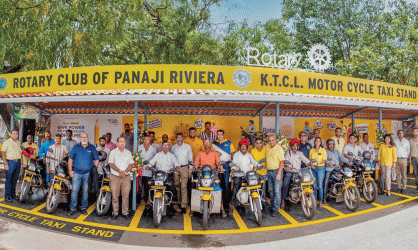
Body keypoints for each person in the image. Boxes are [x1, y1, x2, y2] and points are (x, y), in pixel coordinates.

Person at [67, 133, 99, 216]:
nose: (84, 139)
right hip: (76, 173)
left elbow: (96, 160)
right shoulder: (76, 147)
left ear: (88, 138)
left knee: (85, 191)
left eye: (85, 137)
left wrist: (93, 171)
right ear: (80, 139)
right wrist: (70, 170)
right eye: (82, 137)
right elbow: (70, 159)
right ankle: (72, 208)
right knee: (74, 191)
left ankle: (83, 208)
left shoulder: (92, 148)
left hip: (88, 174)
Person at [194, 138, 224, 217]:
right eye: (205, 143)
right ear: (203, 144)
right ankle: (193, 208)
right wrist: (194, 167)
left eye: (208, 143)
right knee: (196, 187)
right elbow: (196, 162)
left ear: (210, 144)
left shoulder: (214, 153)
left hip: (213, 173)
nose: (207, 144)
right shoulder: (200, 153)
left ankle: (222, 207)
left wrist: (221, 168)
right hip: (201, 173)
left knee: (218, 188)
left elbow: (218, 162)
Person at [108, 136, 134, 220]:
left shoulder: (128, 152)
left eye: (124, 141)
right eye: (120, 141)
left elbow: (131, 164)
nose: (122, 143)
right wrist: (119, 171)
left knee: (125, 196)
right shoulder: (113, 152)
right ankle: (115, 212)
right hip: (115, 177)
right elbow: (111, 164)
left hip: (126, 177)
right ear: (117, 143)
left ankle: (125, 212)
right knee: (115, 196)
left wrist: (125, 172)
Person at [148, 141, 179, 209]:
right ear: (162, 147)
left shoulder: (172, 155)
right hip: (158, 174)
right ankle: (150, 201)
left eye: (167, 145)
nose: (165, 147)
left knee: (172, 187)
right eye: (164, 145)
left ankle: (174, 203)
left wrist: (177, 168)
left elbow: (176, 164)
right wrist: (149, 166)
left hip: (168, 175)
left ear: (169, 147)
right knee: (151, 185)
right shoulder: (157, 155)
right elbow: (151, 162)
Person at [282, 138, 310, 209]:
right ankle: (283, 200)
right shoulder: (288, 153)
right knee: (286, 183)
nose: (295, 147)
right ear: (291, 146)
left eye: (296, 146)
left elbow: (305, 159)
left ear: (298, 146)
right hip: (290, 171)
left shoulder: (300, 153)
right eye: (293, 145)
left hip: (298, 171)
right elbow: (285, 160)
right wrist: (286, 166)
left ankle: (303, 197)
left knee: (306, 181)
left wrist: (310, 163)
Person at [230, 138, 258, 210]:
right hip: (238, 174)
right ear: (239, 147)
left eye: (245, 146)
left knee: (251, 187)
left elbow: (253, 162)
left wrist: (259, 166)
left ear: (247, 147)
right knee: (236, 187)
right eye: (242, 146)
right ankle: (232, 204)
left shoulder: (249, 155)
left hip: (247, 176)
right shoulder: (236, 154)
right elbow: (234, 163)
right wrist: (233, 169)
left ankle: (247, 201)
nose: (243, 147)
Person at [213, 130, 236, 215]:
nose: (220, 136)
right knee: (218, 184)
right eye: (218, 134)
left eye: (221, 134)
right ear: (217, 135)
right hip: (218, 166)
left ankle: (226, 204)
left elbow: (233, 154)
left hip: (226, 166)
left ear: (223, 135)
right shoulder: (214, 144)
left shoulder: (229, 143)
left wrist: (232, 165)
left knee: (226, 184)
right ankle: (219, 204)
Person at [171, 133, 193, 213]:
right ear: (176, 138)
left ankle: (183, 205)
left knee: (183, 186)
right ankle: (179, 201)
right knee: (177, 185)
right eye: (178, 138)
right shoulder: (173, 147)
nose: (179, 139)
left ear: (183, 138)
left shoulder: (187, 147)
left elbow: (190, 159)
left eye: (181, 138)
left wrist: (190, 170)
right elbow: (172, 158)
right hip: (176, 168)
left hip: (184, 168)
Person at [324, 139, 350, 205]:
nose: (331, 146)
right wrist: (328, 163)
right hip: (329, 169)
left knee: (346, 176)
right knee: (326, 181)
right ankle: (324, 198)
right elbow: (323, 159)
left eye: (332, 144)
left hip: (337, 168)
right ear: (327, 145)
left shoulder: (336, 151)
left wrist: (348, 161)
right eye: (330, 144)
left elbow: (341, 157)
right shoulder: (325, 152)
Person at [266, 135, 285, 217]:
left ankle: (276, 209)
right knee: (272, 191)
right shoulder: (267, 147)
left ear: (276, 140)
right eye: (269, 140)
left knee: (277, 191)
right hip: (269, 172)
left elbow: (282, 161)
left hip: (277, 172)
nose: (271, 142)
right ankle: (272, 206)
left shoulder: (279, 149)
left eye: (272, 140)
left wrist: (279, 173)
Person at [1, 129, 22, 202]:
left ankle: (13, 195)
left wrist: (21, 164)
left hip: (17, 163)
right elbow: (3, 153)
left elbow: (20, 154)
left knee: (15, 180)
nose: (15, 135)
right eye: (14, 133)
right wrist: (5, 163)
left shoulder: (18, 143)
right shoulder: (7, 142)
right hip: (10, 163)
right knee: (9, 180)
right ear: (11, 134)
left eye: (16, 133)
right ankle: (7, 196)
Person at [137, 135, 157, 209]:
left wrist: (151, 167)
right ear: (143, 140)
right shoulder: (139, 148)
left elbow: (155, 160)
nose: (146, 141)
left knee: (147, 187)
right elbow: (136, 157)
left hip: (148, 172)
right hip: (140, 171)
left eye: (147, 139)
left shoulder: (153, 149)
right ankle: (137, 202)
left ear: (150, 140)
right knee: (139, 187)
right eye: (145, 139)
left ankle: (147, 202)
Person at [310, 137, 327, 207]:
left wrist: (318, 162)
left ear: (320, 143)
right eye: (316, 141)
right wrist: (311, 164)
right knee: (314, 186)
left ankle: (320, 201)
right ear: (314, 142)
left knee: (320, 185)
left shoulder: (323, 150)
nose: (317, 142)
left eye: (319, 141)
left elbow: (324, 160)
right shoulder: (312, 150)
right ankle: (314, 201)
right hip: (313, 169)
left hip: (320, 168)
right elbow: (310, 159)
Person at [251, 137, 267, 206]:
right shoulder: (252, 150)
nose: (259, 145)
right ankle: (255, 202)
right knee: (255, 187)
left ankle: (262, 202)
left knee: (263, 188)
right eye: (257, 143)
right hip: (255, 172)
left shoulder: (266, 149)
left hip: (264, 172)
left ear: (262, 143)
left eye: (260, 143)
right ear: (255, 144)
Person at [410, 128, 418, 193]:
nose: (415, 132)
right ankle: (417, 188)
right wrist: (410, 160)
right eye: (414, 131)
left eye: (416, 131)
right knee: (416, 174)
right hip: (414, 159)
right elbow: (410, 151)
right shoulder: (411, 141)